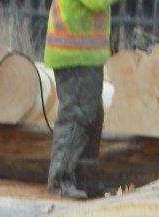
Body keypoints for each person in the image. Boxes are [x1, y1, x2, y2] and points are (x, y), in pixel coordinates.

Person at [43, 0, 115, 199]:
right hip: (74, 52)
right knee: (77, 116)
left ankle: (84, 178)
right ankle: (60, 179)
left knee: (92, 116)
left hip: (84, 54)